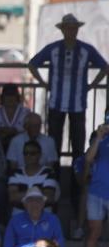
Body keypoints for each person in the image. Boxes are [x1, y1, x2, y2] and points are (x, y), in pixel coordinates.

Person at [28, 13, 109, 160]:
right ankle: (55, 178)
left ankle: (76, 180)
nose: (72, 31)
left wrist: (92, 85)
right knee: (54, 144)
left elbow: (105, 67)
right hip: (56, 103)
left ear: (77, 30)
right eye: (69, 28)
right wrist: (42, 83)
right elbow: (32, 64)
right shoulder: (53, 49)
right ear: (63, 30)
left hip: (78, 105)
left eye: (74, 28)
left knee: (78, 145)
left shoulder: (86, 49)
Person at [83, 122, 109, 247]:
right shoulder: (101, 139)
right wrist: (98, 137)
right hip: (96, 192)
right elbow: (88, 158)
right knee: (94, 231)